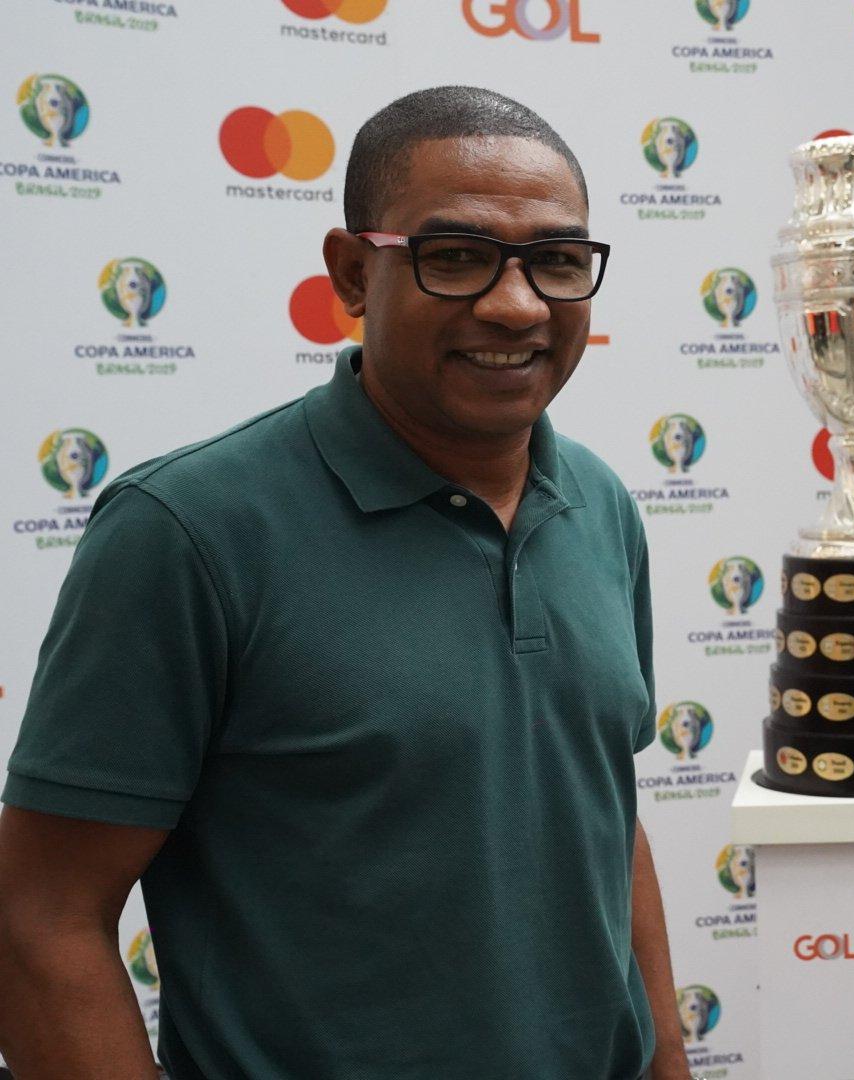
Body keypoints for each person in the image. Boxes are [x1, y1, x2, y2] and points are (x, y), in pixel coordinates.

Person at [0, 87, 690, 1080]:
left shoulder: (601, 505)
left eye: (558, 261)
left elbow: (602, 816)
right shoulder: (188, 532)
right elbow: (42, 922)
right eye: (455, 257)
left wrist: (670, 1064)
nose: (516, 303)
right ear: (353, 273)